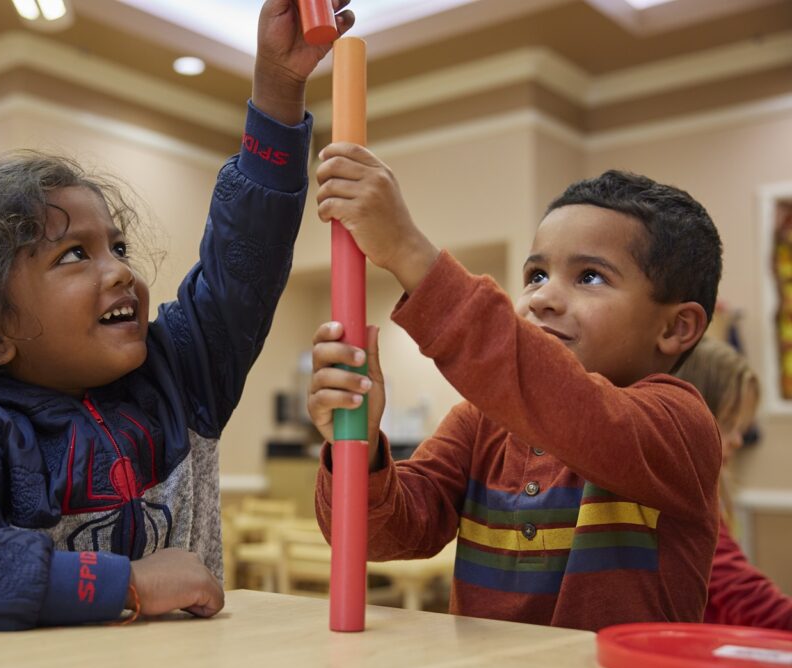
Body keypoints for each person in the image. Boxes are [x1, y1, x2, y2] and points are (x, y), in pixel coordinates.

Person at [0, 0, 355, 630]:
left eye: (119, 247)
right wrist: (127, 583)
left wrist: (278, 85)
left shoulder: (183, 374)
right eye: (74, 254)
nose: (120, 272)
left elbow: (246, 259)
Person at [307, 148, 724, 631]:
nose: (543, 297)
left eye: (590, 277)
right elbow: (379, 535)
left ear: (676, 328)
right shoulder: (478, 422)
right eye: (536, 275)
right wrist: (355, 443)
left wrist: (408, 251)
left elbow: (576, 410)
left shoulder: (679, 426)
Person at [674, 336, 792, 630]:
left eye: (742, 428)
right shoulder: (683, 493)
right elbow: (742, 593)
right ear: (693, 418)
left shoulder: (715, 487)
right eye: (728, 424)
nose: (738, 440)